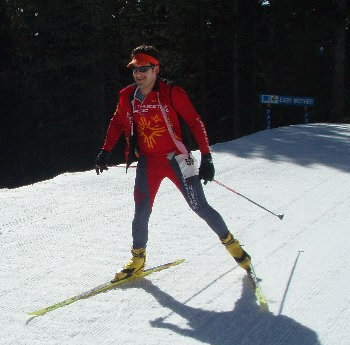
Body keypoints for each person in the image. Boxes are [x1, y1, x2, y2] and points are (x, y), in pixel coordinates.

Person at [94, 45, 251, 282]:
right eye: (135, 69)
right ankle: (137, 259)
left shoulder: (171, 93)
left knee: (199, 206)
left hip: (177, 159)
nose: (138, 74)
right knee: (141, 210)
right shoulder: (127, 96)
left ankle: (233, 246)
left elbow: (195, 122)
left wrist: (207, 157)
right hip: (148, 162)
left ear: (156, 69)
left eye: (144, 69)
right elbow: (117, 123)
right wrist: (105, 150)